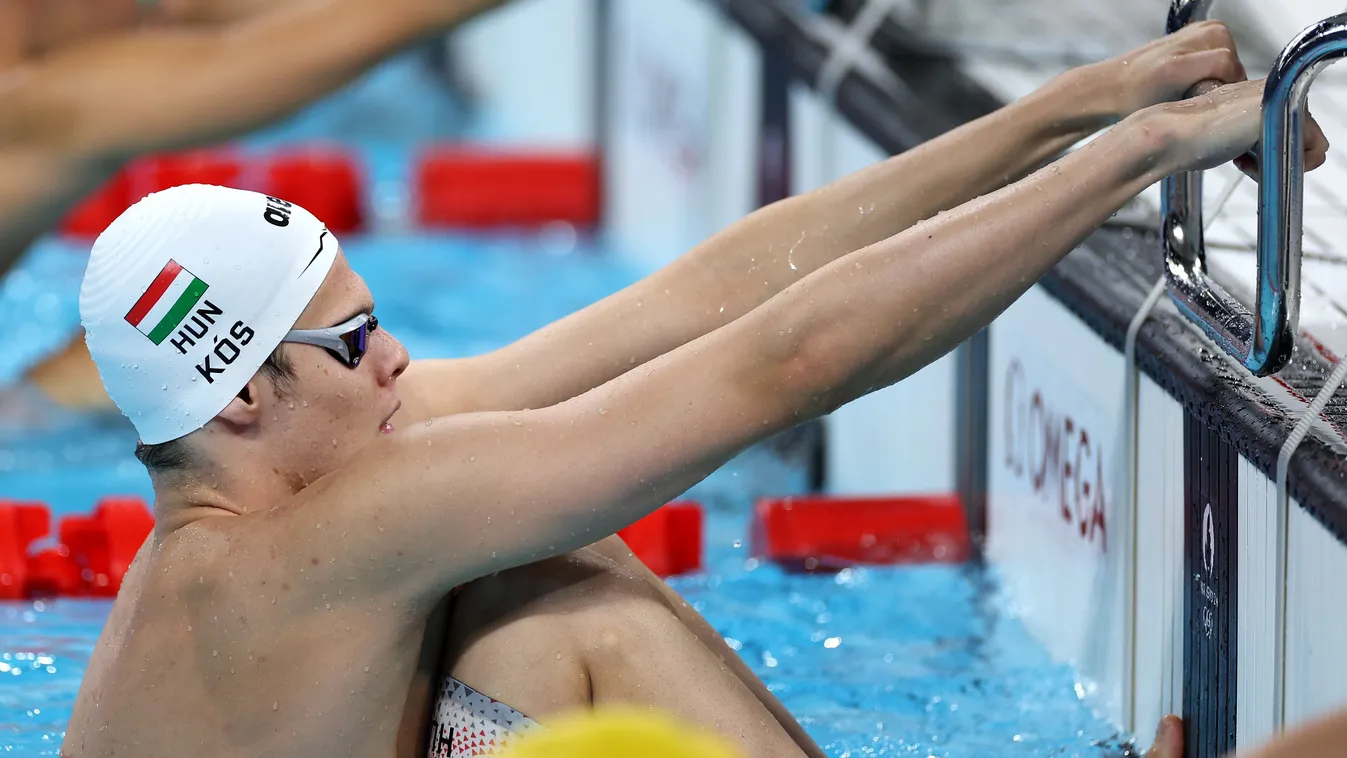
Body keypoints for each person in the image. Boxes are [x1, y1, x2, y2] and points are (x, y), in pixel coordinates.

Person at [60, 7, 1329, 752]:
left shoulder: (271, 508)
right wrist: (1141, 157)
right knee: (579, 605)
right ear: (239, 394)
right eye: (358, 339)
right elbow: (789, 363)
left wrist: (1074, 108)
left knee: (538, 593)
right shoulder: (324, 543)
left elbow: (696, 303)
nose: (396, 358)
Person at [0, 0, 513, 415]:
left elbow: (208, 15)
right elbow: (382, 20)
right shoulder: (37, 105)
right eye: (143, 4)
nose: (163, 18)